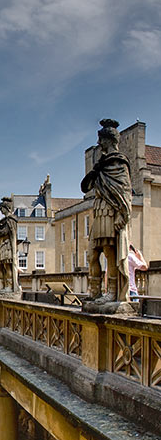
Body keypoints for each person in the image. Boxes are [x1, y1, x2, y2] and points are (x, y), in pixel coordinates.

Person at [81, 119, 133, 304]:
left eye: (101, 140)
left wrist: (122, 214)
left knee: (109, 252)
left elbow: (125, 191)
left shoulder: (118, 162)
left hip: (111, 211)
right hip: (99, 210)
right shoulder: (102, 164)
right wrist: (95, 171)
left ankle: (111, 293)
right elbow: (85, 186)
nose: (98, 144)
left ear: (109, 140)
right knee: (92, 254)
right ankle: (94, 292)